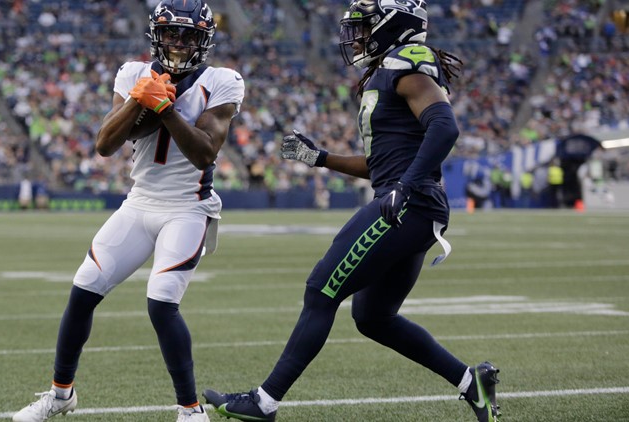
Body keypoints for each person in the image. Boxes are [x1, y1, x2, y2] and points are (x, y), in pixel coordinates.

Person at [203, 1, 500, 421]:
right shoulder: (386, 72)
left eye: (364, 27)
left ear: (392, 26)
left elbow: (445, 126)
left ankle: (264, 402)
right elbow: (380, 164)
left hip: (410, 205)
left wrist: (405, 185)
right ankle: (472, 382)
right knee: (373, 317)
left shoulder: (406, 61)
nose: (356, 37)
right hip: (412, 204)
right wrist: (320, 158)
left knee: (320, 289)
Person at [12, 1, 245, 421]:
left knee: (161, 302)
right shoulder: (133, 73)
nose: (177, 42)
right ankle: (61, 395)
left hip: (187, 208)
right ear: (156, 35)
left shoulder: (222, 81)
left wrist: (165, 108)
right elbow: (105, 144)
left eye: (187, 35)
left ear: (203, 40)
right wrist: (143, 99)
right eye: (170, 33)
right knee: (83, 289)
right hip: (139, 203)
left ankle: (190, 411)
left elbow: (204, 153)